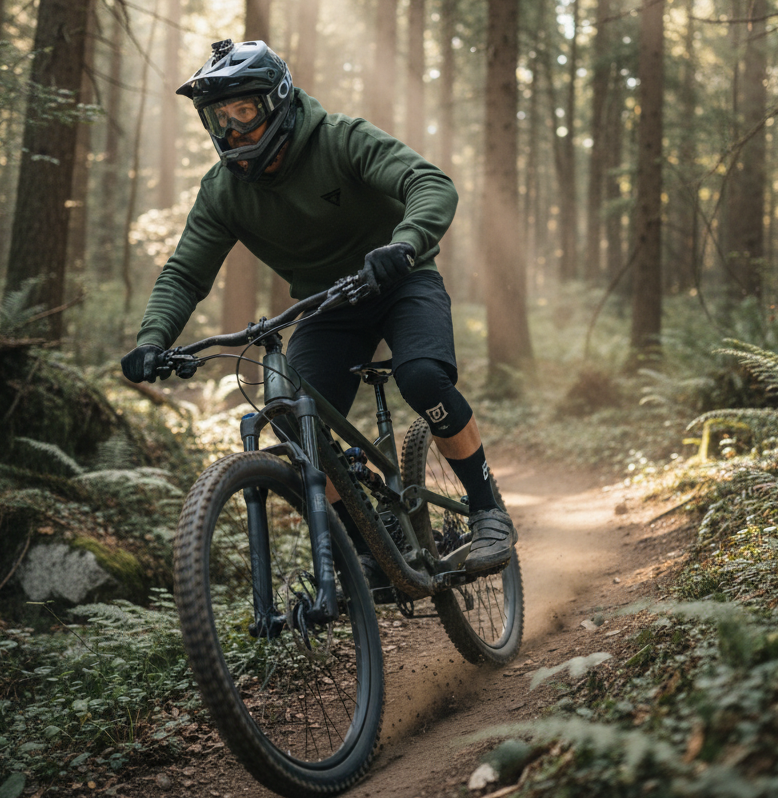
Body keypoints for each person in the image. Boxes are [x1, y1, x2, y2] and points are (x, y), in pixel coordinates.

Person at [120, 38, 517, 584]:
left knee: (423, 377)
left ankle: (487, 509)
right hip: (327, 306)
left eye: (244, 112)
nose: (232, 130)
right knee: (295, 422)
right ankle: (369, 546)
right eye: (219, 118)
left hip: (400, 278)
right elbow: (185, 273)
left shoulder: (340, 139)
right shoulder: (222, 192)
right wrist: (152, 339)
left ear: (277, 101)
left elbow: (428, 182)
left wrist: (404, 243)